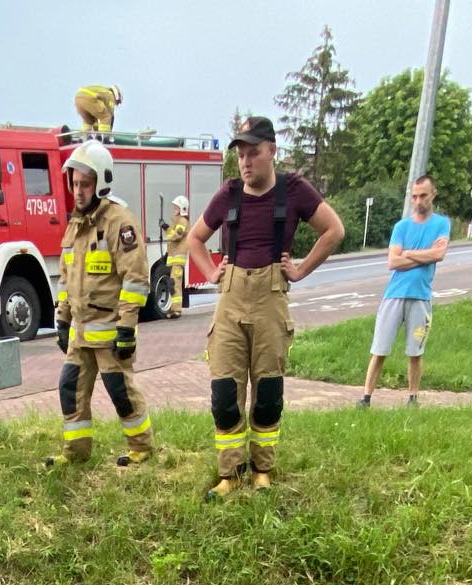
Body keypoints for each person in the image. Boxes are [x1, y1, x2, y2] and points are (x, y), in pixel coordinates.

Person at [186, 116, 344, 496]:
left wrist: (301, 269)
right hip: (232, 296)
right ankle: (229, 473)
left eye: (253, 153)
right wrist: (211, 272)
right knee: (225, 392)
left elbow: (334, 230)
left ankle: (262, 470)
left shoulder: (294, 190)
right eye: (241, 154)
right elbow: (194, 239)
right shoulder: (229, 193)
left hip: (272, 296)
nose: (246, 162)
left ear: (272, 151)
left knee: (268, 392)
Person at [44, 141, 154, 469]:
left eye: (85, 184)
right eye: (75, 184)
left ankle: (141, 449)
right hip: (80, 334)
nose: (78, 191)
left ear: (101, 183)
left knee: (120, 391)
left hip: (109, 332)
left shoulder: (119, 223)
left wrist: (127, 327)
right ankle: (76, 454)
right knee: (70, 389)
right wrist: (62, 319)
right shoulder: (75, 227)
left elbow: (135, 278)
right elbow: (66, 278)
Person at [360, 174, 449, 408]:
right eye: (414, 196)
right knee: (379, 349)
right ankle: (366, 397)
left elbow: (439, 255)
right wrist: (422, 256)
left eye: (423, 196)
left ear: (433, 195)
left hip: (421, 296)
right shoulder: (401, 227)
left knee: (415, 351)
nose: (418, 201)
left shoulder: (441, 224)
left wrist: (408, 253)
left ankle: (412, 397)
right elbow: (393, 262)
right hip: (395, 294)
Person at [163, 195, 191, 316]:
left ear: (182, 208)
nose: (174, 209)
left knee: (175, 284)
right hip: (174, 258)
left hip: (178, 259)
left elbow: (177, 235)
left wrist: (167, 234)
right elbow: (173, 232)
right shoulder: (177, 220)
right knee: (173, 284)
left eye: (176, 207)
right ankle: (174, 308)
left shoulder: (182, 221)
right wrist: (165, 227)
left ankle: (176, 310)